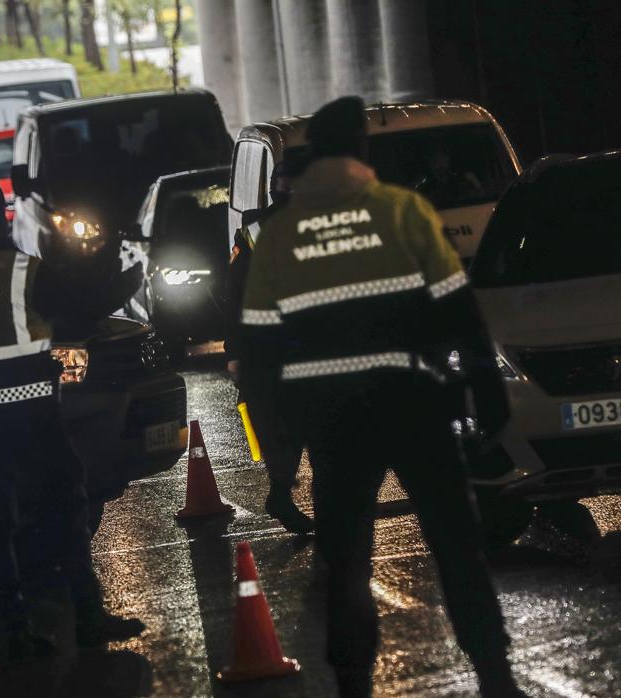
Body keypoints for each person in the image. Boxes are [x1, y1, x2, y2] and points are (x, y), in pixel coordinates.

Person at [238, 97, 524, 698]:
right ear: (362, 150)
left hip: (333, 421)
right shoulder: (403, 212)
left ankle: (353, 684)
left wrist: (280, 459)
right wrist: (489, 404)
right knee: (456, 547)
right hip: (413, 403)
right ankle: (495, 677)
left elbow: (261, 362)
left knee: (345, 563)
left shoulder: (280, 239)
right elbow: (463, 318)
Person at [0, 184, 146, 659]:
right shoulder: (23, 272)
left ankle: (15, 632)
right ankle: (90, 618)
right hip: (32, 415)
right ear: (2, 220)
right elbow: (81, 308)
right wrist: (129, 280)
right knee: (66, 508)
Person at [223, 160, 314, 535]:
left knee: (289, 423)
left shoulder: (252, 231)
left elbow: (233, 294)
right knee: (298, 422)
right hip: (292, 342)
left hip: (275, 344)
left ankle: (281, 492)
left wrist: (236, 350)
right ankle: (283, 492)